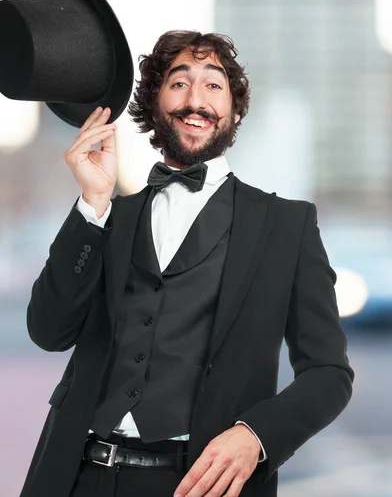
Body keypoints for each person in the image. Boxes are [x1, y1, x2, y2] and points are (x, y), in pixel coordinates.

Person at [19, 30, 354, 497]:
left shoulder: (287, 226)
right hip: (79, 476)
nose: (196, 100)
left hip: (202, 485)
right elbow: (47, 331)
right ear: (153, 104)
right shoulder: (107, 217)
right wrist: (93, 204)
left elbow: (329, 375)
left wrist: (256, 437)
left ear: (235, 111)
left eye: (213, 85)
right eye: (179, 83)